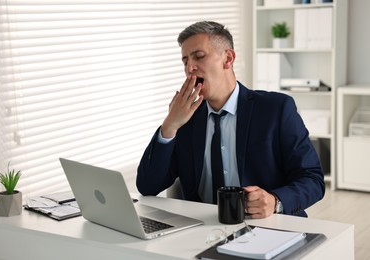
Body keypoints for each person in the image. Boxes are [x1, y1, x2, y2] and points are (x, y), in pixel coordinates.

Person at [136, 21, 325, 218]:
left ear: (228, 58)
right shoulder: (185, 119)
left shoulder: (276, 109)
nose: (190, 67)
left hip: (268, 226)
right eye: (185, 61)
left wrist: (274, 201)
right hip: (202, 231)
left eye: (199, 56)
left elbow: (312, 179)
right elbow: (147, 186)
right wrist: (169, 126)